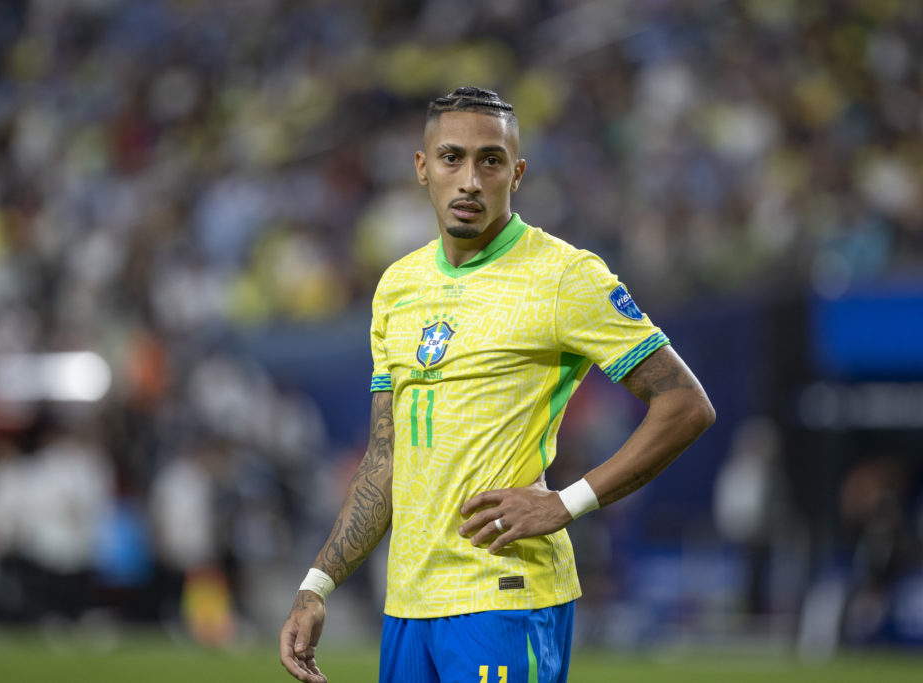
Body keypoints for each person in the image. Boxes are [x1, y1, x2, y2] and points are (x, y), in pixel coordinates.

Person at [280, 86, 715, 683]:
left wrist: (566, 502)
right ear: (421, 167)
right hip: (408, 605)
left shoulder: (564, 275)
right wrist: (317, 584)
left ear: (518, 173)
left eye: (491, 160)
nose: (469, 180)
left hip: (504, 594)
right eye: (451, 157)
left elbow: (686, 405)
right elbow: (385, 460)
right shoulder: (397, 287)